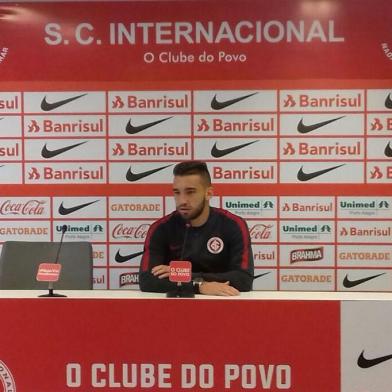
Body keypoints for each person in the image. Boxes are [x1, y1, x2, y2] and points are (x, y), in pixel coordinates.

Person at [139, 160, 254, 296]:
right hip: (174, 309)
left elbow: (243, 279)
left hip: (223, 306)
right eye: (177, 192)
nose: (182, 200)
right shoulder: (161, 228)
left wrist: (185, 275)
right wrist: (198, 286)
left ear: (209, 193)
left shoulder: (233, 225)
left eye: (190, 192)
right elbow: (147, 281)